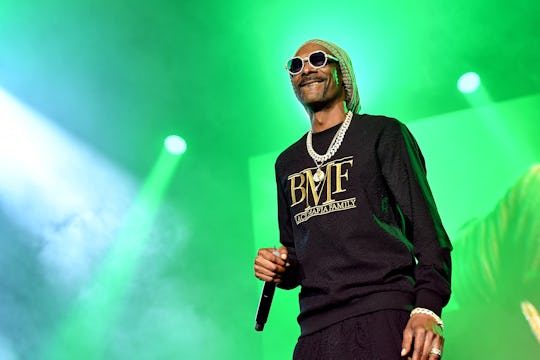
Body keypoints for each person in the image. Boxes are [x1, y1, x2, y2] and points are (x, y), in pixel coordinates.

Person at [253, 39, 452, 360]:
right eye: (295, 65)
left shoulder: (382, 133)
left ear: (341, 71)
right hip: (315, 331)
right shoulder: (287, 163)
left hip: (382, 314)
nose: (306, 70)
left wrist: (428, 308)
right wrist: (279, 266)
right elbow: (296, 258)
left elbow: (429, 233)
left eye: (317, 60)